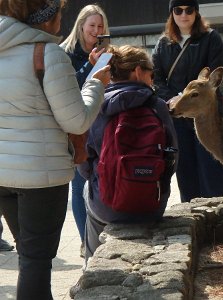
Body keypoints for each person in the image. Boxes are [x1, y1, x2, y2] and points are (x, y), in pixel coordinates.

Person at [0, 0, 110, 299]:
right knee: (35, 261)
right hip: (41, 175)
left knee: (28, 256)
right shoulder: (48, 54)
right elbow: (76, 120)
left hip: (3, 174)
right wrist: (95, 85)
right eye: (60, 11)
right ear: (47, 17)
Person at [78, 45, 178, 262]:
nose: (153, 79)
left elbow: (84, 163)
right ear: (138, 72)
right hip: (151, 205)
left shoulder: (97, 104)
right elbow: (172, 157)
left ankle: (91, 264)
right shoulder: (157, 105)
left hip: (108, 207)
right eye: (151, 73)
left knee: (88, 188)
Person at [152, 0, 223, 202]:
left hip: (208, 115)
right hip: (177, 115)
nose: (184, 14)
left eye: (189, 10)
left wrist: (185, 96)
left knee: (213, 168)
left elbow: (214, 77)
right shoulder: (163, 44)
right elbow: (156, 78)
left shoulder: (211, 38)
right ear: (172, 13)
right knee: (185, 170)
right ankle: (193, 220)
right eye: (178, 10)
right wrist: (174, 98)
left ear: (196, 12)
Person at [60, 4, 110, 258]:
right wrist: (89, 68)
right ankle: (84, 241)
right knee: (80, 185)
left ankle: (100, 237)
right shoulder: (64, 54)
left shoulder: (106, 53)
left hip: (101, 125)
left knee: (101, 182)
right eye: (92, 25)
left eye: (100, 26)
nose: (96, 31)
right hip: (77, 128)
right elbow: (67, 91)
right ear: (81, 26)